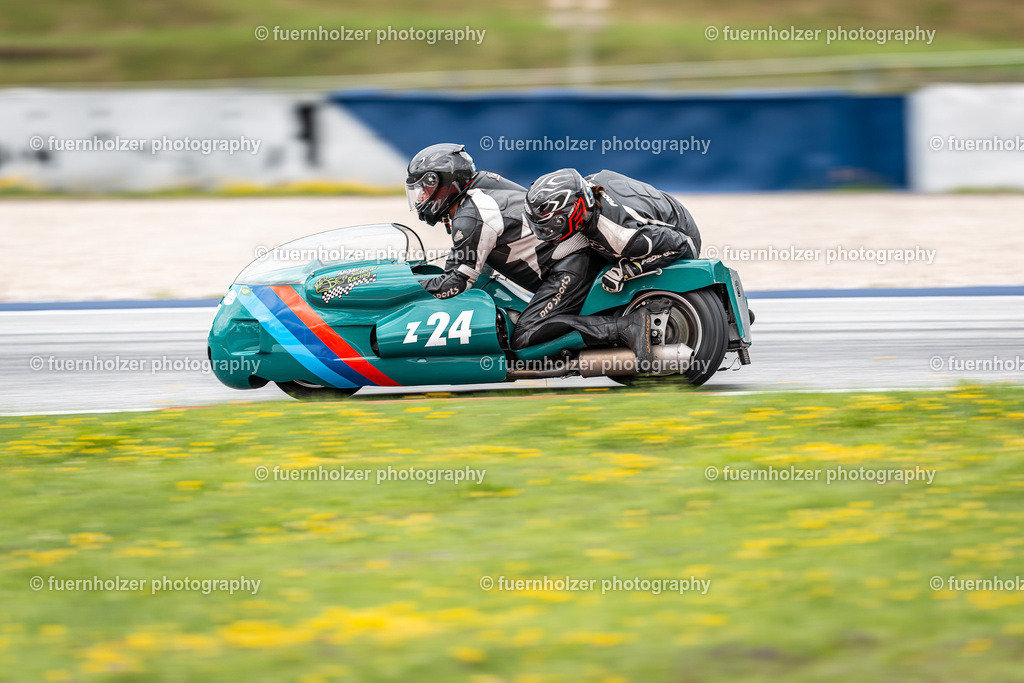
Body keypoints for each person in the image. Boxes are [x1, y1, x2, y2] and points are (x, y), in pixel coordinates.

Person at [514, 168, 703, 364]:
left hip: (677, 240)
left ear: (573, 213)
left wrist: (628, 270)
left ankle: (625, 327)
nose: (543, 232)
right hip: (666, 220)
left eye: (549, 225)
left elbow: (680, 243)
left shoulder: (619, 236)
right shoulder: (586, 188)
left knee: (526, 334)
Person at [405, 143, 556, 299]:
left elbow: (454, 284)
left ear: (445, 183)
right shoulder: (486, 185)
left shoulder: (471, 215)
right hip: (563, 271)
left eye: (425, 189)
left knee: (527, 324)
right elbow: (479, 272)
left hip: (563, 278)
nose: (420, 198)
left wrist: (400, 289)